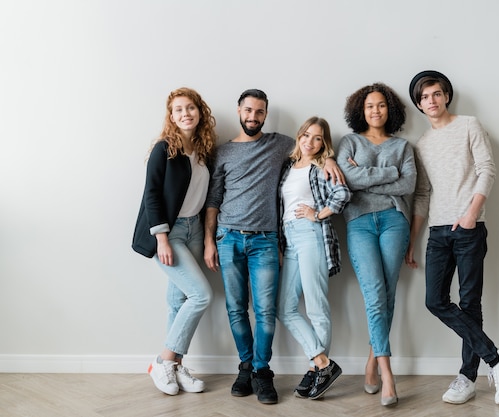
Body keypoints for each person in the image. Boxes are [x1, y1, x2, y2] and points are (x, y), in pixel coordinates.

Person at [203, 89, 344, 405]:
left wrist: (330, 157)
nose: (253, 117)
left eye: (260, 112)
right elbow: (213, 200)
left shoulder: (280, 144)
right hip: (228, 238)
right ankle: (246, 367)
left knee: (267, 311)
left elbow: (309, 149)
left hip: (266, 240)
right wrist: (209, 240)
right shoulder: (223, 153)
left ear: (266, 114)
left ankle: (262, 372)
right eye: (248, 110)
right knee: (236, 308)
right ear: (239, 110)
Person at [405, 70, 499, 405]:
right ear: (419, 105)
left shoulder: (469, 125)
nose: (431, 101)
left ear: (446, 96)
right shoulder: (421, 144)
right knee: (434, 300)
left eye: (436, 94)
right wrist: (413, 241)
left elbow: (487, 169)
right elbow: (422, 195)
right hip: (437, 233)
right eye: (424, 97)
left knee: (470, 303)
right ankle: (496, 358)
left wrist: (471, 214)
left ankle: (467, 377)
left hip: (468, 228)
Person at [132, 87, 217, 395]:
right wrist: (162, 239)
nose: (185, 113)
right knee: (201, 296)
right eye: (178, 109)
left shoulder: (204, 149)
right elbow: (151, 194)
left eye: (190, 108)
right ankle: (163, 361)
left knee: (177, 301)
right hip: (169, 232)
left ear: (200, 112)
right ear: (171, 116)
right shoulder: (164, 149)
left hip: (194, 229)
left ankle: (176, 367)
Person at [336, 83, 417, 407]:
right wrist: (389, 173)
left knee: (387, 293)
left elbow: (409, 183)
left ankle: (371, 362)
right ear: (360, 110)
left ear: (390, 109)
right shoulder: (349, 142)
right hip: (359, 223)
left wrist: (366, 174)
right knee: (374, 295)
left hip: (395, 220)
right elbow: (347, 179)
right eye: (370, 106)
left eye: (381, 105)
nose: (375, 111)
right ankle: (387, 372)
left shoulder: (403, 145)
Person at [276, 117, 351, 400]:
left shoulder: (322, 167)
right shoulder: (287, 167)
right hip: (290, 238)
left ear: (324, 143)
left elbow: (343, 193)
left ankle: (315, 369)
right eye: (306, 135)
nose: (310, 141)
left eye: (317, 138)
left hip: (311, 236)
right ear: (299, 136)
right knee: (285, 308)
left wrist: (318, 214)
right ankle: (322, 363)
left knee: (316, 308)